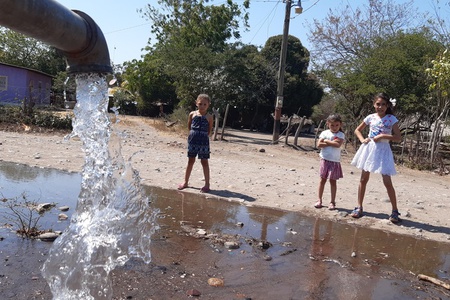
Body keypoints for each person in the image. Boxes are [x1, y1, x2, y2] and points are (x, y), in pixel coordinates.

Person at [350, 92, 402, 223]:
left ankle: (395, 210)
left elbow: (398, 137)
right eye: (378, 104)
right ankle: (359, 206)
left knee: (387, 181)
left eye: (383, 104)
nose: (380, 107)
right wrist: (362, 139)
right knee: (363, 179)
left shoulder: (391, 119)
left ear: (387, 105)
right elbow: (357, 130)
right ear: (374, 104)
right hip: (369, 149)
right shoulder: (370, 117)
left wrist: (384, 136)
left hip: (383, 150)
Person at [178, 94, 213, 193]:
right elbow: (189, 126)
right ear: (196, 103)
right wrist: (193, 134)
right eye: (200, 104)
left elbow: (209, 130)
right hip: (193, 140)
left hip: (203, 142)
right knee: (190, 161)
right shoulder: (192, 114)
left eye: (204, 104)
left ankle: (207, 184)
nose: (202, 106)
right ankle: (185, 182)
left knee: (204, 162)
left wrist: (202, 136)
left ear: (208, 105)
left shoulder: (209, 117)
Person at [314, 114, 345, 210]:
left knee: (333, 181)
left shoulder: (340, 134)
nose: (335, 127)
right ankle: (319, 199)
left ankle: (332, 202)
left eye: (337, 125)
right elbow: (319, 144)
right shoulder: (324, 133)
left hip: (335, 161)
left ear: (340, 125)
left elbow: (337, 145)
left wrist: (326, 142)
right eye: (332, 125)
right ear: (328, 124)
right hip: (324, 159)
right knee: (322, 180)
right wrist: (331, 142)